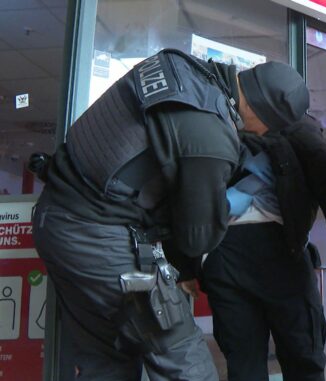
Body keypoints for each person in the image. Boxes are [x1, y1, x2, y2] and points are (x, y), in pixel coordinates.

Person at [31, 49, 244, 380]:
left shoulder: (178, 67)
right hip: (98, 235)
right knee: (182, 357)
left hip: (58, 218)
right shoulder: (209, 130)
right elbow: (198, 236)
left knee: (105, 358)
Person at [198, 62, 326, 381]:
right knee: (257, 362)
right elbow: (190, 194)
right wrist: (188, 262)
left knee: (301, 356)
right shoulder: (215, 125)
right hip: (233, 251)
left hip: (274, 249)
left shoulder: (298, 130)